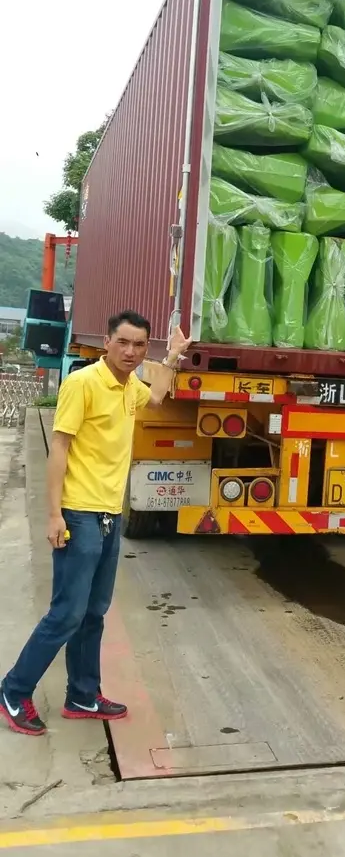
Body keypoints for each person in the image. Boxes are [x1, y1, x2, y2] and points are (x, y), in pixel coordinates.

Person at [0, 309, 190, 736]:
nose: (130, 351)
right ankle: (13, 690)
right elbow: (60, 449)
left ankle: (83, 694)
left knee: (94, 613)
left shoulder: (129, 389)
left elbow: (156, 397)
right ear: (106, 342)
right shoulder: (83, 384)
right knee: (67, 613)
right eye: (123, 342)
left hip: (108, 515)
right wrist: (54, 514)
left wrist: (173, 356)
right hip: (79, 514)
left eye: (139, 345)